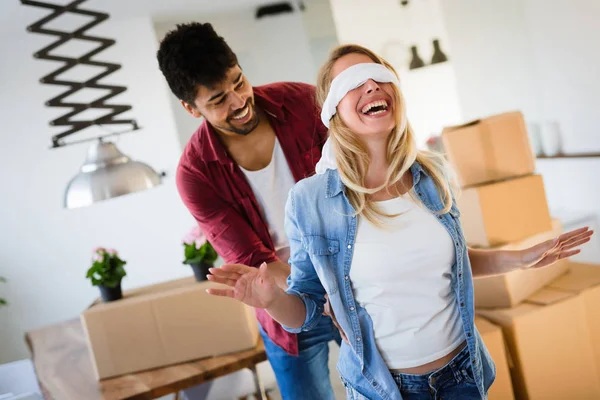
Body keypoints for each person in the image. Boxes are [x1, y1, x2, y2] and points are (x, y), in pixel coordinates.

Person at [205, 44, 594, 399]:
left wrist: (520, 259)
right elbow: (305, 308)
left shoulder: (431, 175)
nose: (371, 86)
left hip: (463, 375)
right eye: (353, 83)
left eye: (378, 76)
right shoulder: (311, 201)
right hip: (389, 389)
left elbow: (452, 262)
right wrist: (271, 300)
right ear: (332, 111)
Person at [156, 22, 341, 399]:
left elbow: (357, 184)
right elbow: (256, 263)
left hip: (353, 275)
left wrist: (345, 287)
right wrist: (324, 292)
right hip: (283, 298)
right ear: (191, 108)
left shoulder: (304, 104)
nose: (239, 102)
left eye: (239, 82)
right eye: (218, 100)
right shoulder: (195, 175)